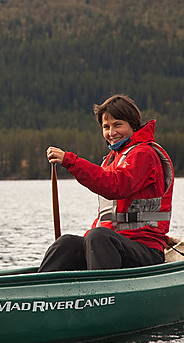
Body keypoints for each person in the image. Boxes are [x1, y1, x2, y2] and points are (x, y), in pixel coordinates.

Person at [38, 94, 174, 272]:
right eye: (106, 127)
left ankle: (100, 294)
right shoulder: (112, 159)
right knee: (67, 243)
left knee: (98, 237)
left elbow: (115, 185)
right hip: (113, 245)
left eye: (118, 125)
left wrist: (70, 161)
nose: (111, 133)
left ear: (132, 125)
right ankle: (36, 292)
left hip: (146, 249)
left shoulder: (144, 154)